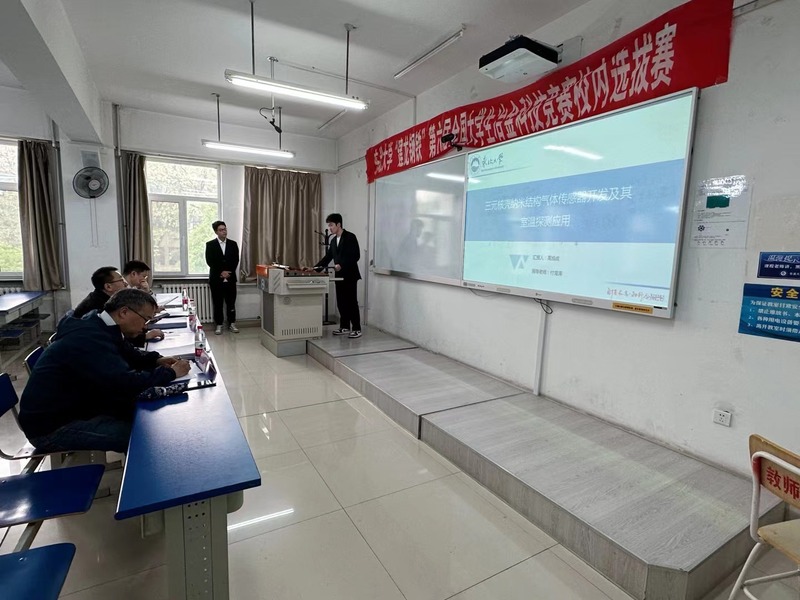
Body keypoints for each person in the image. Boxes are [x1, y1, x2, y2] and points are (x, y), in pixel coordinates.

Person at [19, 288, 192, 453]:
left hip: (77, 408)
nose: (145, 327)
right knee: (143, 436)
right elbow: (125, 383)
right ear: (124, 312)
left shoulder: (101, 324)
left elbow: (128, 352)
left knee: (147, 417)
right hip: (52, 427)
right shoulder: (89, 338)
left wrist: (156, 360)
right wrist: (171, 373)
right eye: (145, 319)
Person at [74, 265, 163, 346]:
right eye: (121, 280)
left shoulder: (105, 298)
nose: (126, 284)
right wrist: (144, 337)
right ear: (108, 287)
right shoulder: (97, 307)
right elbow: (111, 337)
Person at [308, 213, 362, 338]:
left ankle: (357, 328)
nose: (330, 228)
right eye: (329, 225)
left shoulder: (350, 237)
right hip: (339, 276)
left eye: (331, 225)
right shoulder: (333, 241)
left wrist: (341, 265)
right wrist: (315, 268)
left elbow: (355, 256)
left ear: (339, 224)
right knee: (341, 302)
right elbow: (327, 258)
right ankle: (344, 326)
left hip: (350, 275)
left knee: (351, 302)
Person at [205, 220, 239, 335]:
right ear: (216, 232)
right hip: (216, 279)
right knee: (218, 303)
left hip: (230, 278)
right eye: (221, 230)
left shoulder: (233, 244)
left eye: (225, 229)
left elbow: (235, 260)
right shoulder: (210, 245)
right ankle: (219, 325)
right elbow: (210, 261)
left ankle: (232, 323)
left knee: (231, 303)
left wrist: (228, 272)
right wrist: (221, 272)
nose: (224, 231)